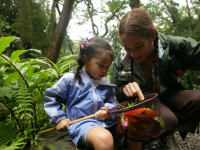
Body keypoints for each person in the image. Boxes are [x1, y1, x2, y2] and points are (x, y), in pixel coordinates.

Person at [111, 8, 200, 150]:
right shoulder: (122, 61)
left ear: (152, 35)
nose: (133, 53)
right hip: (143, 105)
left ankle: (164, 135)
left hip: (168, 96)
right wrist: (123, 90)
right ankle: (139, 139)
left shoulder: (172, 46)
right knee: (167, 119)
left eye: (138, 46)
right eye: (127, 48)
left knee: (197, 99)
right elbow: (113, 93)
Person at [43, 37, 122, 150]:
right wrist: (59, 119)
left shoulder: (105, 84)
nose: (105, 71)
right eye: (101, 65)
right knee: (104, 139)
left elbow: (113, 102)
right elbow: (51, 97)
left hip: (107, 123)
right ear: (85, 60)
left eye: (108, 66)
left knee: (134, 124)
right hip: (82, 125)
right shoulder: (71, 80)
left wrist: (108, 111)